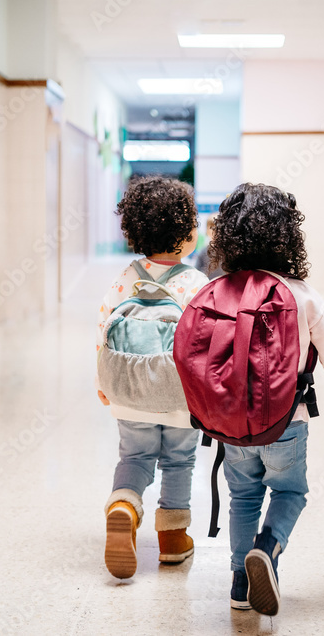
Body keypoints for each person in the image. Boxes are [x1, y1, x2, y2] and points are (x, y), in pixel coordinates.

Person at [208, 184, 324, 615]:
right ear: (289, 236)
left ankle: (239, 583)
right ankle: (267, 549)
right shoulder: (302, 293)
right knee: (290, 491)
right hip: (287, 419)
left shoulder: (219, 290)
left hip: (232, 422)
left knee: (243, 496)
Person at [96, 176, 210, 580]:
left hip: (128, 391)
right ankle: (173, 542)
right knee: (179, 460)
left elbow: (102, 328)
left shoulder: (125, 277)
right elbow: (206, 344)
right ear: (183, 236)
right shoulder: (196, 283)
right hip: (178, 395)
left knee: (135, 457)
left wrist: (105, 385)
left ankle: (124, 507)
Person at [193, 214, 224, 279]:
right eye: (211, 227)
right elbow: (197, 270)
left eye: (217, 227)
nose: (214, 230)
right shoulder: (204, 251)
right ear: (206, 230)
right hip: (207, 284)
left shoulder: (227, 251)